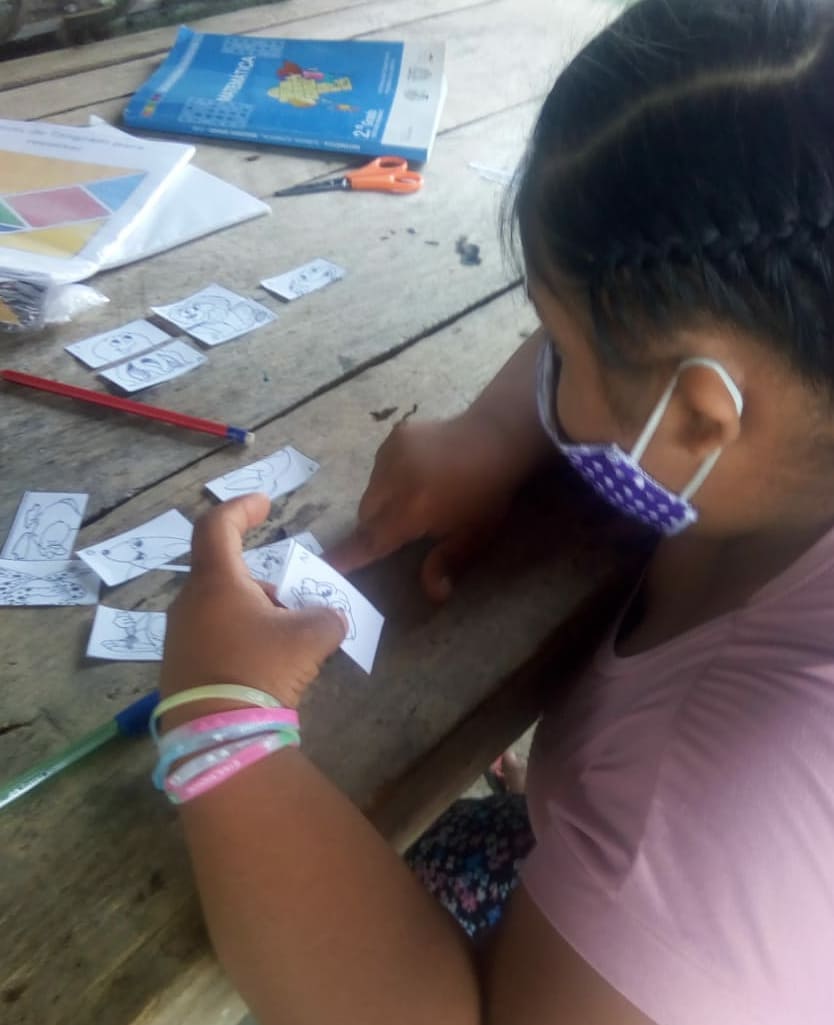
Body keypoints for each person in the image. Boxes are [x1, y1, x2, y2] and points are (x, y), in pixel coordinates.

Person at [157, 1, 834, 1021]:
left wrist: (220, 723)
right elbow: (649, 322)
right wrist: (492, 430)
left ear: (701, 418)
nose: (545, 368)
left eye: (564, 346)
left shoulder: (708, 802)